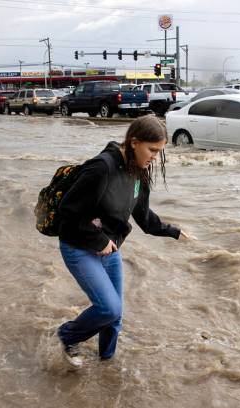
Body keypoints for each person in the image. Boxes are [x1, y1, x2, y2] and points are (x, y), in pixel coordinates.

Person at [55, 115, 191, 368]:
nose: (154, 157)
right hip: (79, 246)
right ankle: (67, 336)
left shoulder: (138, 170)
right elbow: (68, 210)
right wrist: (98, 240)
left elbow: (144, 217)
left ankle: (106, 363)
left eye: (159, 152)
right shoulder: (102, 167)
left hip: (110, 248)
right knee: (109, 309)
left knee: (115, 318)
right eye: (152, 150)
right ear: (134, 142)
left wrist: (173, 231)